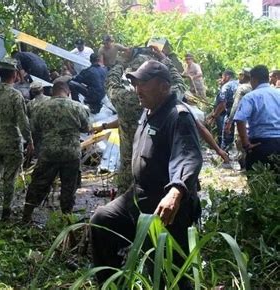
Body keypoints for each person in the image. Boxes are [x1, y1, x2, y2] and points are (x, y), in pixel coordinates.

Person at [90, 60, 202, 288]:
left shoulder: (177, 115)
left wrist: (176, 190)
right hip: (138, 196)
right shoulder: (148, 110)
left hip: (167, 204)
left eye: (143, 83)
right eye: (135, 83)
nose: (137, 89)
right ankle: (114, 284)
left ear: (163, 86)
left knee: (168, 270)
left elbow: (188, 154)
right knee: (103, 221)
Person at [93, 45, 188, 194]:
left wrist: (122, 62)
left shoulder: (124, 100)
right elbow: (180, 83)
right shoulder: (167, 97)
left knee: (123, 214)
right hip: (159, 178)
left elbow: (110, 82)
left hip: (128, 177)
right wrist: (164, 59)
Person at [22, 80, 90, 221]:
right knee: (69, 187)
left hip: (48, 153)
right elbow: (86, 128)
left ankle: (27, 214)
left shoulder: (41, 107)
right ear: (68, 92)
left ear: (52, 92)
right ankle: (66, 218)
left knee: (38, 183)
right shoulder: (77, 107)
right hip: (71, 154)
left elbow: (35, 129)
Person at [0, 58, 34, 220]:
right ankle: (6, 212)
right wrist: (30, 141)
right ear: (14, 74)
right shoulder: (15, 95)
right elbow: (23, 121)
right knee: (9, 179)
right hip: (12, 142)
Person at [233, 65, 280, 173]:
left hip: (260, 144)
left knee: (257, 181)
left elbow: (240, 119)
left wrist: (245, 144)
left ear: (253, 79)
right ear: (268, 78)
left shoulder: (251, 97)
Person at [224, 68, 252, 168]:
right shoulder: (256, 87)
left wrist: (229, 121)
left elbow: (236, 105)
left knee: (240, 146)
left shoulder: (242, 88)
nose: (238, 77)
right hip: (254, 123)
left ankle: (244, 170)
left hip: (242, 122)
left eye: (240, 74)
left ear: (244, 76)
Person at [207, 70, 238, 150]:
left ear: (227, 77)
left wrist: (214, 116)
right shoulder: (240, 84)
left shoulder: (226, 86)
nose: (221, 79)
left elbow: (222, 103)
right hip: (242, 117)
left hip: (229, 114)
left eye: (223, 77)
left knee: (226, 140)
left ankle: (225, 157)